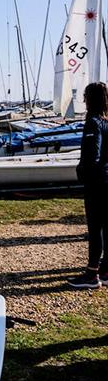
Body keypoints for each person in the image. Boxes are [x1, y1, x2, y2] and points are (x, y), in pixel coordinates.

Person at [69, 81, 108, 289]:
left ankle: (92, 274)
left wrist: (82, 173)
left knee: (95, 228)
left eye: (85, 96)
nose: (83, 100)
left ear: (89, 99)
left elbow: (94, 154)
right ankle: (106, 269)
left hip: (98, 183)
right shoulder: (106, 121)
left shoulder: (93, 123)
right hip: (106, 179)